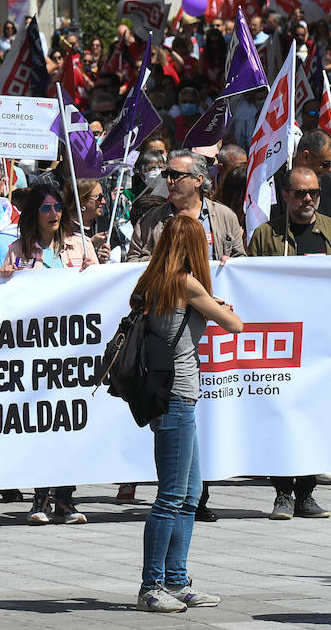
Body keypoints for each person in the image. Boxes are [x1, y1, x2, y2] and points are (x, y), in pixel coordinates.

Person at [132, 214, 244, 613]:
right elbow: (236, 325)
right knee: (172, 495)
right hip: (178, 396)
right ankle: (153, 584)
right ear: (194, 247)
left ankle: (176, 580)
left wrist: (208, 308)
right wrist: (216, 308)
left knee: (190, 492)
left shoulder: (154, 280)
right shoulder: (186, 282)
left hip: (171, 396)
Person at [247, 166, 331, 519]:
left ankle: (307, 492)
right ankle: (282, 492)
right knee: (282, 415)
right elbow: (250, 284)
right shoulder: (265, 235)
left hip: (324, 342)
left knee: (317, 415)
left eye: (314, 193)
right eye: (300, 194)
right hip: (281, 342)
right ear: (285, 196)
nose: (307, 200)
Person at [0, 183, 95, 524]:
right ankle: (40, 499)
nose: (54, 214)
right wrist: (6, 277)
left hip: (73, 351)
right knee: (39, 425)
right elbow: (5, 301)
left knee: (69, 426)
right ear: (33, 214)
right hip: (34, 354)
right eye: (45, 208)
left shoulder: (79, 246)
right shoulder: (17, 249)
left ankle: (66, 499)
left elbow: (98, 291)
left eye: (57, 207)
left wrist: (94, 271)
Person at [127, 150, 247, 263]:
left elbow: (240, 261)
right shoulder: (149, 220)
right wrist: (160, 261)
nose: (169, 181)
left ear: (198, 180)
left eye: (175, 175)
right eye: (166, 174)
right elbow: (131, 263)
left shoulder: (225, 217)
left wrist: (230, 262)